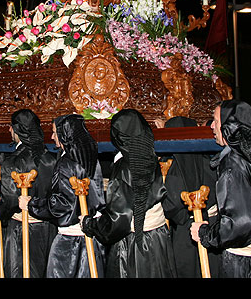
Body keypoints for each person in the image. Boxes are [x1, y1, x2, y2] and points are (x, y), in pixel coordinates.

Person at [190, 100, 251, 278]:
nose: (211, 126)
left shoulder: (232, 164)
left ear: (230, 127)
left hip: (248, 263)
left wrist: (205, 234)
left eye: (216, 121)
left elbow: (239, 225)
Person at [82, 109, 176, 278]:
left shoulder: (124, 167)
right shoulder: (150, 156)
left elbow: (119, 221)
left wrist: (91, 224)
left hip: (135, 244)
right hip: (157, 238)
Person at [23, 113, 106, 278]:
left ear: (65, 134)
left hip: (71, 241)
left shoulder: (66, 163)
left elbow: (63, 204)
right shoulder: (90, 157)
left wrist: (32, 205)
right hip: (93, 235)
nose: (52, 136)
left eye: (55, 132)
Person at [0, 108, 57, 278]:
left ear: (18, 130)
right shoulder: (50, 158)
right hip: (48, 229)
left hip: (21, 230)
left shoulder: (13, 161)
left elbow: (11, 201)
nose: (9, 130)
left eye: (11, 127)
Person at [160, 116, 220, 278]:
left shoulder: (175, 167)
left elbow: (171, 205)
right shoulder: (211, 162)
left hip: (185, 234)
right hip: (212, 228)